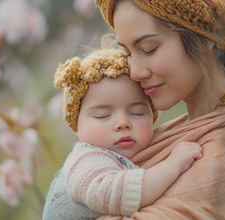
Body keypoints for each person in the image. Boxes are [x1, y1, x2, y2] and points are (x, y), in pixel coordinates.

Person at [93, 0, 225, 219]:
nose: (135, 72)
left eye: (149, 49)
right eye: (128, 53)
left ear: (206, 36)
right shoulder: (167, 134)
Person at [42, 48, 203, 219]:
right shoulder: (86, 160)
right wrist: (174, 164)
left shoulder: (147, 147)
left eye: (137, 112)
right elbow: (121, 194)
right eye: (102, 115)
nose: (123, 123)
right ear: (76, 125)